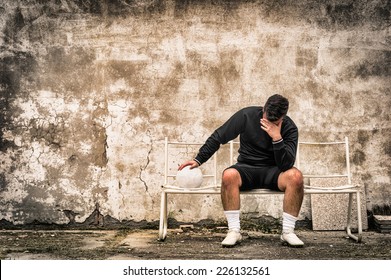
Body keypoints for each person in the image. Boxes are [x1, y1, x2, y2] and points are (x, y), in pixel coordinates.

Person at [178, 94, 304, 247]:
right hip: (247, 168)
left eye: (274, 121)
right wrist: (199, 159)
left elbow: (286, 165)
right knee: (229, 175)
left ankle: (288, 232)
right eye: (266, 118)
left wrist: (277, 138)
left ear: (283, 117)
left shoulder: (290, 127)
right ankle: (234, 231)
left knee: (295, 176)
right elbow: (219, 136)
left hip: (274, 171)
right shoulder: (247, 115)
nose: (269, 124)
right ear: (263, 109)